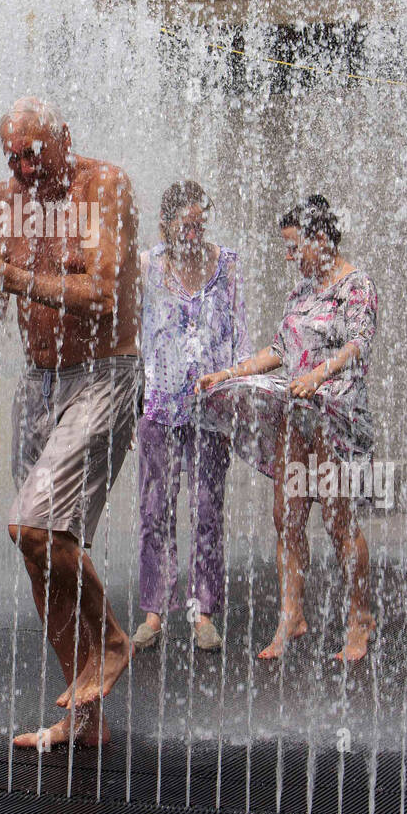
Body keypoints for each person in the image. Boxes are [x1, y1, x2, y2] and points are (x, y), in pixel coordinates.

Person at [0, 96, 142, 751]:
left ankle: (113, 640)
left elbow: (105, 295)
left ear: (63, 140)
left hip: (104, 375)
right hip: (37, 384)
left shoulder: (104, 185)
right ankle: (85, 718)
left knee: (34, 525)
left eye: (33, 153)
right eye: (13, 158)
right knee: (39, 555)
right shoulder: (6, 201)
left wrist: (10, 273)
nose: (24, 169)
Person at [196, 195, 378, 662]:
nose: (289, 257)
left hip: (334, 419)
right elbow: (279, 348)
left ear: (321, 240)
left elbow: (358, 344)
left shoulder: (355, 286)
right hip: (296, 415)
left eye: (295, 247)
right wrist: (230, 373)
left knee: (339, 522)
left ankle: (361, 620)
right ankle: (291, 617)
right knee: (287, 517)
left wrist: (319, 374)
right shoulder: (300, 291)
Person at [134, 182, 251, 652]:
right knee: (154, 510)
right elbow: (134, 332)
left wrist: (236, 390)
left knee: (206, 510)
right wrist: (131, 402)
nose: (194, 231)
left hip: (212, 406)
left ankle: (203, 613)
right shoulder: (147, 266)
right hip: (159, 404)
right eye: (186, 224)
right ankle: (153, 613)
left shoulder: (227, 266)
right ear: (166, 225)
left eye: (200, 222)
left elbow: (239, 333)